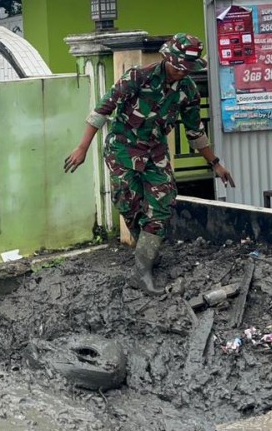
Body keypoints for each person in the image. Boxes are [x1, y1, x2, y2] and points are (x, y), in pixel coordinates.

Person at [64, 33, 235, 294]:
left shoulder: (187, 90)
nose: (181, 72)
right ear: (167, 59)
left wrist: (215, 164)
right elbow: (102, 110)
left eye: (187, 68)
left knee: (162, 205)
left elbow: (195, 132)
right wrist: (82, 147)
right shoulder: (138, 77)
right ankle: (145, 251)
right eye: (178, 66)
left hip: (155, 152)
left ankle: (142, 271)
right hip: (123, 148)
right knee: (128, 204)